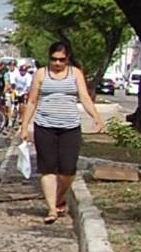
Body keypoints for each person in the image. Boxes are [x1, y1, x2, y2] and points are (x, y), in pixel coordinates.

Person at [18, 39, 105, 224]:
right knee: (47, 168)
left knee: (68, 169)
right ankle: (51, 209)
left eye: (61, 59)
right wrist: (25, 126)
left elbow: (84, 97)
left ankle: (59, 197)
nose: (57, 63)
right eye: (54, 59)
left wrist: (95, 116)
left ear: (68, 59)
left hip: (70, 128)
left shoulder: (75, 74)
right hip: (45, 126)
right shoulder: (42, 74)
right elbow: (32, 101)